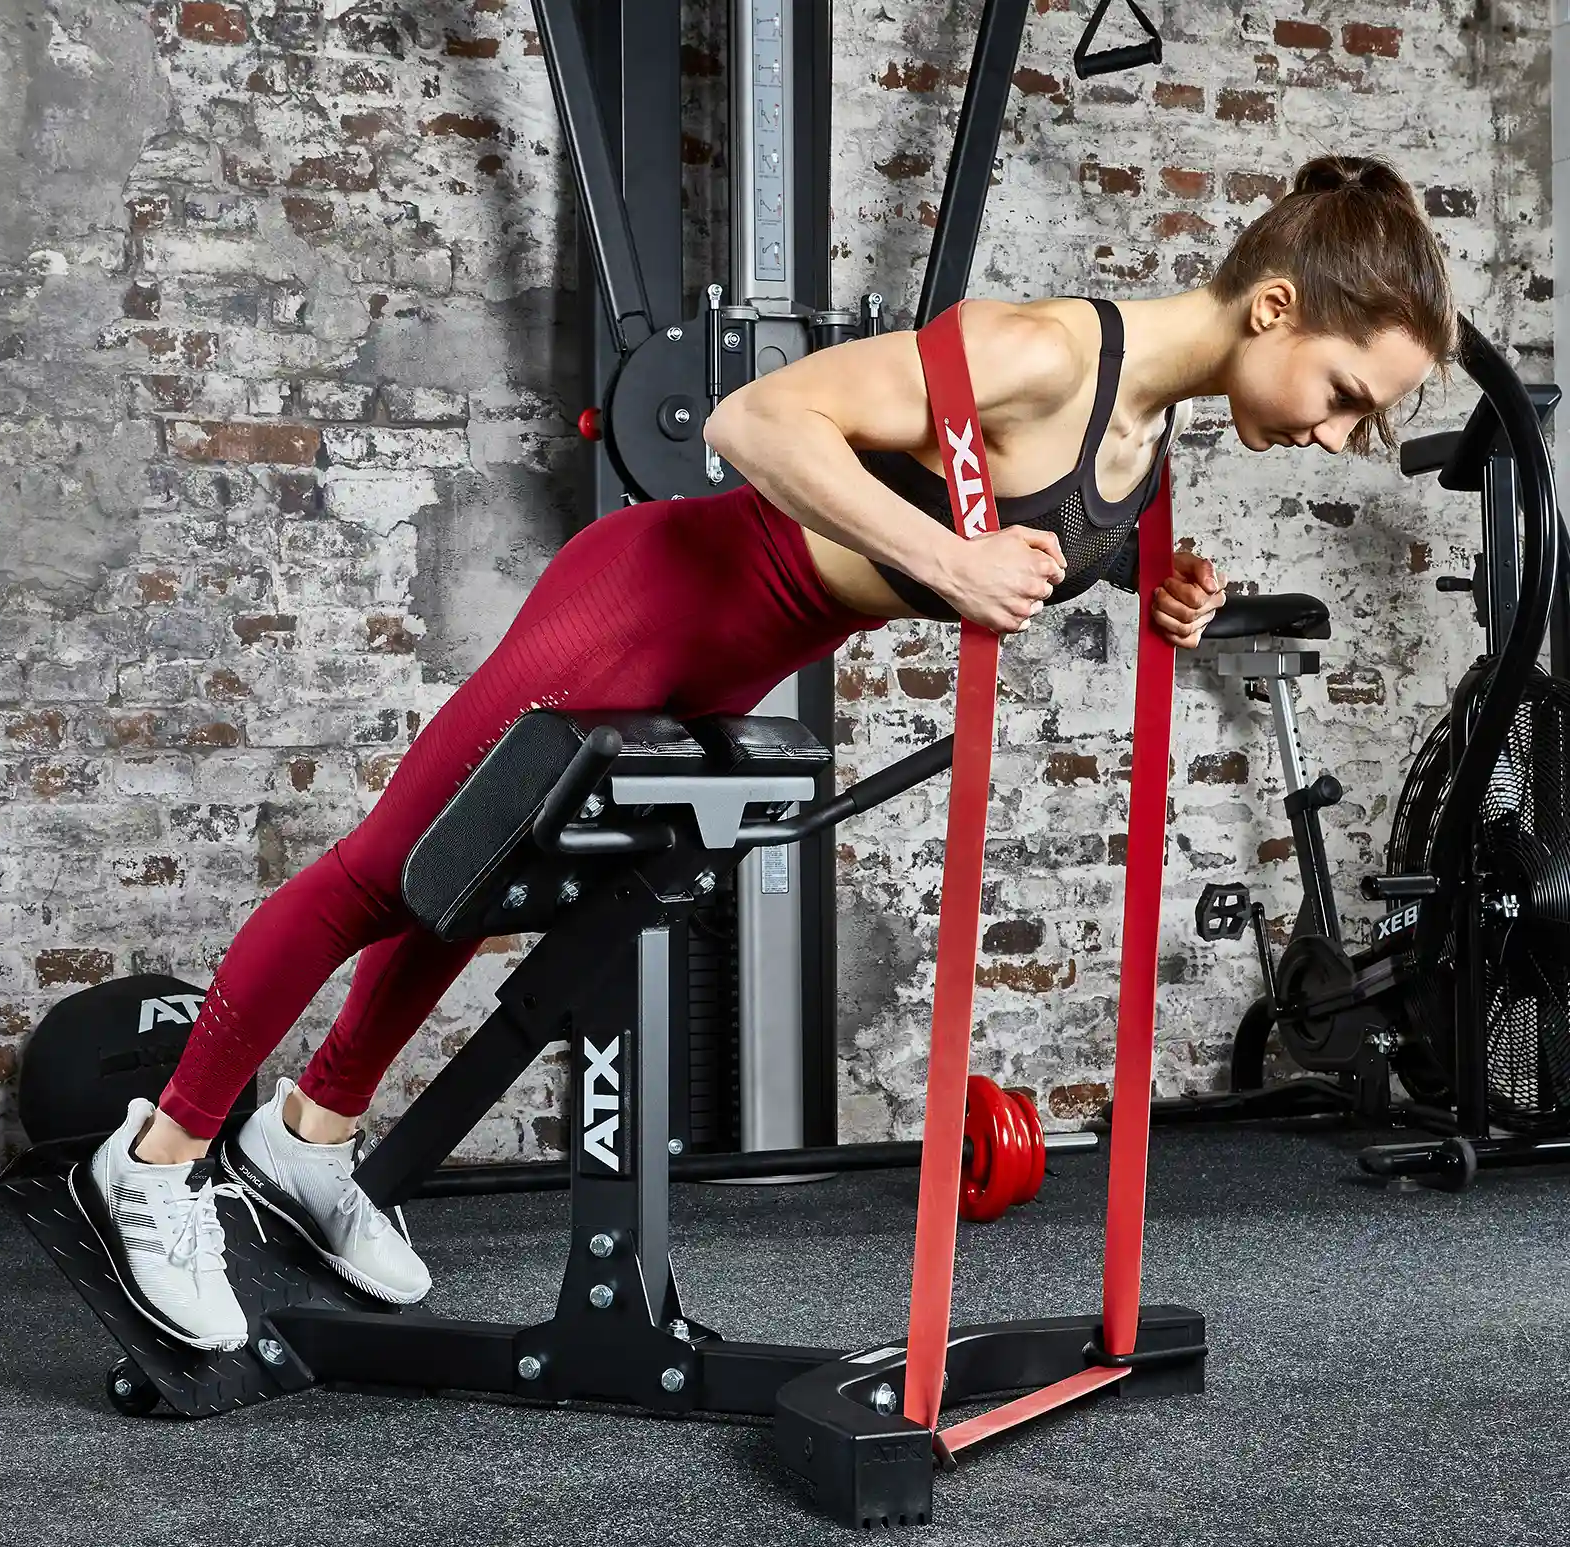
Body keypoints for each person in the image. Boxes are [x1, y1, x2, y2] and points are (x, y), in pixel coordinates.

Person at [80, 153, 1454, 1352]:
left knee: (480, 879)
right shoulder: (1042, 349)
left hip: (732, 657)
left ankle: (312, 1139)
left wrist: (1152, 586)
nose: (1336, 432)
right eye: (1344, 392)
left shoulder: (1143, 433)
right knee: (391, 872)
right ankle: (158, 1156)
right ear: (1275, 307)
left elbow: (1020, 528)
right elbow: (757, 423)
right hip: (648, 604)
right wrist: (945, 559)